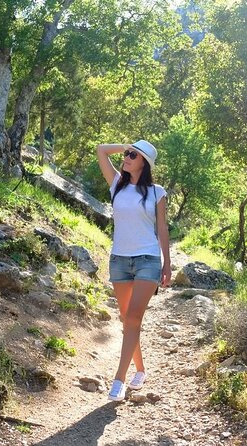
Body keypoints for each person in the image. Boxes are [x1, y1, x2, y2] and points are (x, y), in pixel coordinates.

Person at [96, 140, 171, 401]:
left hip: (147, 261)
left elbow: (162, 229)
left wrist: (167, 263)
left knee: (133, 320)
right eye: (127, 154)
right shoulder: (116, 183)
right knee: (126, 320)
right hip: (119, 260)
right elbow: (101, 149)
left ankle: (119, 379)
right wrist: (127, 144)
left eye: (132, 155)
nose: (126, 157)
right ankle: (140, 369)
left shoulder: (156, 192)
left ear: (144, 163)